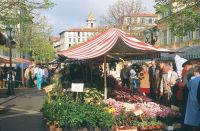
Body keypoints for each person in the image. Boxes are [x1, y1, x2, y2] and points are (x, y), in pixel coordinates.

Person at [184, 66, 200, 131]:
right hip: (197, 99)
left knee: (193, 117)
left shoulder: (192, 80)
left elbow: (188, 86)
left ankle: (194, 129)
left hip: (192, 99)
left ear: (196, 72)